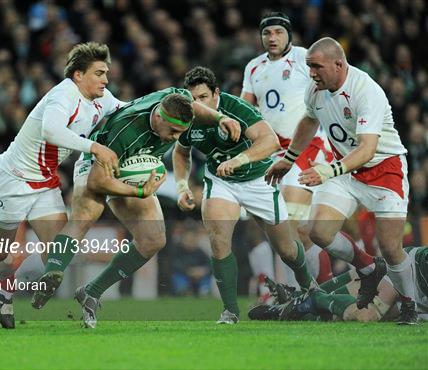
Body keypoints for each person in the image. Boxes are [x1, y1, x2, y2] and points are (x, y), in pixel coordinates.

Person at [30, 87, 241, 328]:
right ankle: (52, 272)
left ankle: (91, 292)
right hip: (99, 164)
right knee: (87, 213)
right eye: (172, 131)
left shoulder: (176, 98)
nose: (175, 138)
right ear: (159, 117)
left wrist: (221, 117)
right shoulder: (127, 129)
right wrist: (140, 191)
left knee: (153, 239)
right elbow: (97, 182)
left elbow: (193, 105)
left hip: (136, 165)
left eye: (180, 132)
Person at [0, 42, 123, 329]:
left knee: (58, 249)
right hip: (12, 177)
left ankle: (5, 290)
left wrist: (165, 103)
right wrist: (95, 146)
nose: (105, 80)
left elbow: (128, 109)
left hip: (45, 182)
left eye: (106, 73)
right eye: (99, 73)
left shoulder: (102, 98)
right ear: (78, 75)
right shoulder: (64, 95)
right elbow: (51, 130)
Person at [265, 37, 417, 324]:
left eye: (317, 67)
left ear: (338, 64)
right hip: (344, 169)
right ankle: (370, 270)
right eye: (309, 66)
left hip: (384, 170)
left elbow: (367, 149)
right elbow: (309, 121)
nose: (311, 73)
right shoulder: (316, 90)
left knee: (391, 247)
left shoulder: (366, 91)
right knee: (318, 232)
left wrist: (328, 170)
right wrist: (289, 157)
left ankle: (409, 304)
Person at [173, 66, 315, 324]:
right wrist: (182, 185)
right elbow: (181, 152)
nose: (198, 104)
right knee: (218, 240)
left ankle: (311, 290)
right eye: (193, 98)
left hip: (258, 179)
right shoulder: (188, 115)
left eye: (203, 97)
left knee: (287, 250)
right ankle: (230, 311)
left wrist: (239, 159)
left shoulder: (237, 108)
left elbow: (270, 141)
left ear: (216, 93)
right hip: (221, 181)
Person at [241, 12, 335, 287]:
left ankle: (311, 290)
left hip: (304, 146)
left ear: (289, 35)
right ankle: (267, 287)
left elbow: (330, 86)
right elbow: (245, 107)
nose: (272, 38)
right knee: (256, 226)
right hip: (268, 149)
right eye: (267, 33)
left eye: (278, 33)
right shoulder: (253, 67)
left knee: (296, 228)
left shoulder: (304, 58)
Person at [250, 246, 427, 322]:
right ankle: (314, 298)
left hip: (418, 293)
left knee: (343, 315)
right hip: (410, 273)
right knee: (367, 316)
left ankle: (289, 304)